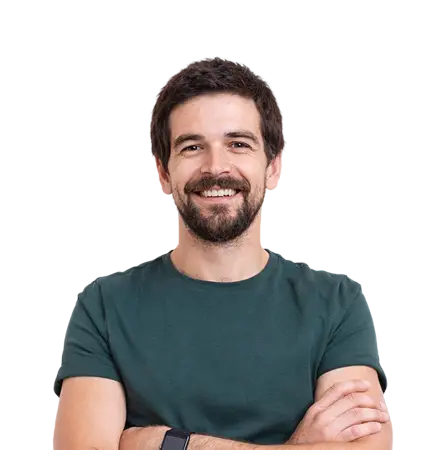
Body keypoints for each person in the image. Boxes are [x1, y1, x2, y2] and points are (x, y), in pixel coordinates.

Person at [53, 57, 392, 450]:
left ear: (273, 168)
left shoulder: (335, 302)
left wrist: (171, 443)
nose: (216, 167)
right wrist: (299, 445)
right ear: (162, 172)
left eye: (238, 144)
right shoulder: (105, 306)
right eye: (193, 146)